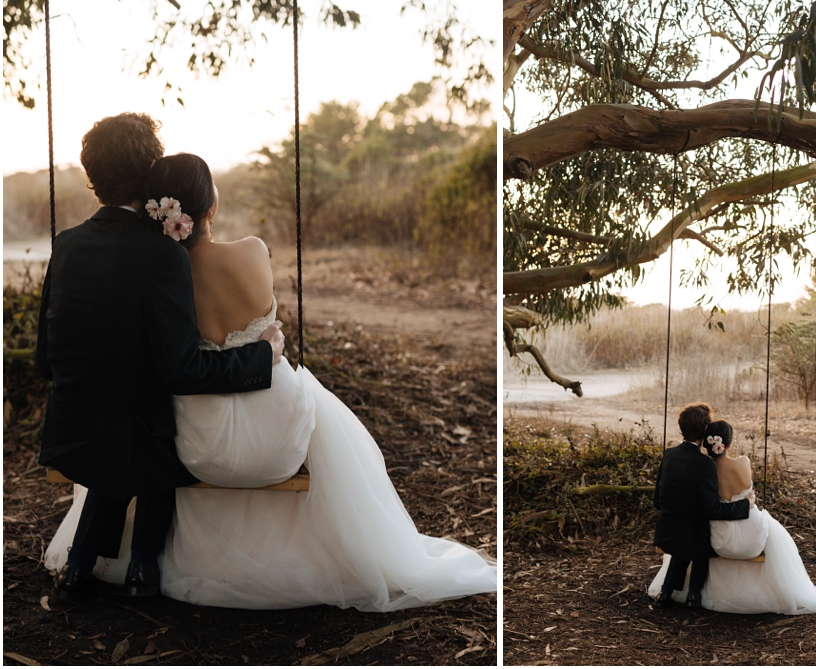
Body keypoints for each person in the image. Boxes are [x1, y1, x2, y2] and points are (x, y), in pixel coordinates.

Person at [46, 153, 497, 611]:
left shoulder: (166, 273)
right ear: (209, 208)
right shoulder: (253, 250)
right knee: (317, 403)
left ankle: (120, 562)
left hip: (199, 446)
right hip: (276, 433)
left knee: (151, 419)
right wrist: (264, 351)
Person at [37, 115, 284, 604]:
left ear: (91, 177)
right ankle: (144, 568)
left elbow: (47, 358)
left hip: (72, 429)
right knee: (161, 420)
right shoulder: (162, 253)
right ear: (150, 169)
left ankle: (79, 564)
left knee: (133, 414)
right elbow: (185, 370)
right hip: (136, 439)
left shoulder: (65, 246)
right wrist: (262, 355)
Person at [648, 418, 816, 614]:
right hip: (748, 534)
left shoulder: (706, 467)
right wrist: (746, 504)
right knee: (771, 528)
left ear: (708, 443)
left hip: (718, 535)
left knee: (699, 532)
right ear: (728, 443)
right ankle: (704, 592)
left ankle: (680, 592)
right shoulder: (743, 462)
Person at [652, 403, 752, 608]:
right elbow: (713, 509)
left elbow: (657, 501)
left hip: (667, 531)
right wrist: (744, 505)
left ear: (681, 429)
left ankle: (666, 591)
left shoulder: (668, 455)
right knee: (701, 535)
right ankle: (694, 595)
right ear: (705, 431)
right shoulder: (705, 464)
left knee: (687, 534)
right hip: (692, 538)